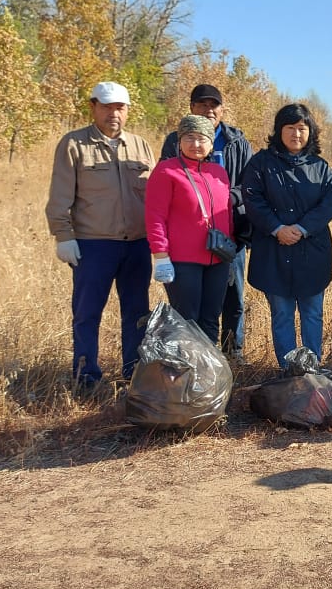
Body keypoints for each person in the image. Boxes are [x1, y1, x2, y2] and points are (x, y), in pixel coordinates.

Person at [45, 81, 156, 388]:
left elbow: (155, 198)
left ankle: (134, 377)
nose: (113, 114)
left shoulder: (140, 146)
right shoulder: (74, 144)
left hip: (136, 245)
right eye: (106, 107)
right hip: (93, 245)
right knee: (87, 313)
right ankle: (86, 378)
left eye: (119, 107)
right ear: (93, 106)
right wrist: (63, 236)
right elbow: (59, 197)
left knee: (137, 313)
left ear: (128, 110)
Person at [241, 104, 332, 368]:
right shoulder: (260, 164)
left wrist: (303, 228)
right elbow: (252, 199)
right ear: (279, 130)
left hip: (312, 252)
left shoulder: (320, 167)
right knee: (282, 314)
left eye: (302, 128)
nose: (296, 134)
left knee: (312, 313)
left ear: (310, 132)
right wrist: (277, 228)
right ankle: (288, 370)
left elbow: (331, 201)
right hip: (274, 251)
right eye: (290, 128)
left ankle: (312, 368)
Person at [160, 84, 254, 361]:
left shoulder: (237, 141)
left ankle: (232, 351)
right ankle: (192, 359)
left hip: (229, 233)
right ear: (191, 108)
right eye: (202, 104)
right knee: (190, 303)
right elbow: (168, 186)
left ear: (222, 110)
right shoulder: (174, 140)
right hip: (188, 237)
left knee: (232, 297)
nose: (208, 110)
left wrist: (225, 198)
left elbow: (249, 184)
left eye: (214, 105)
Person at [145, 115, 234, 344]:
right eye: (190, 138)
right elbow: (155, 215)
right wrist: (161, 255)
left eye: (202, 138)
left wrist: (229, 256)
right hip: (183, 260)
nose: (196, 144)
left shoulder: (218, 173)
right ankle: (185, 375)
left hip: (217, 259)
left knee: (211, 320)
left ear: (211, 144)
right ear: (179, 141)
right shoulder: (167, 171)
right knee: (186, 321)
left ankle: (208, 374)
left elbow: (227, 215)